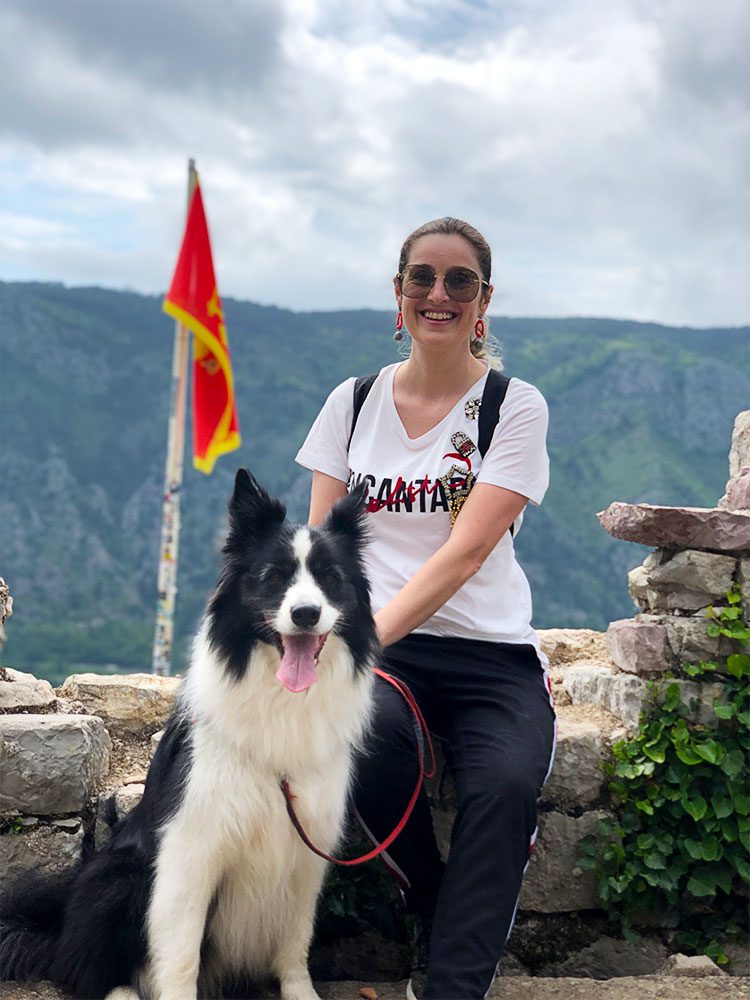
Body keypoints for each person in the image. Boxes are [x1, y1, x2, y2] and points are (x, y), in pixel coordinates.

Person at [295, 217, 556, 1000]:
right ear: (399, 293)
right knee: (365, 737)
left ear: (483, 301)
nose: (438, 295)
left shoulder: (512, 406)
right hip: (387, 652)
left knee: (503, 785)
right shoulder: (354, 401)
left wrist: (365, 638)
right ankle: (435, 905)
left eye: (458, 281)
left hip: (490, 652)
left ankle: (452, 983)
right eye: (422, 278)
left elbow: (464, 553)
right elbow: (323, 551)